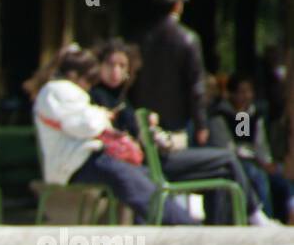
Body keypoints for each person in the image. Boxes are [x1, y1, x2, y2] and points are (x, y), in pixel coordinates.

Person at [92, 39, 271, 226]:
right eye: (111, 65)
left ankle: (226, 225)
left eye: (122, 66)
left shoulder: (122, 97)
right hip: (149, 164)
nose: (116, 72)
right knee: (235, 163)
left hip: (157, 158)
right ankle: (255, 215)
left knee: (231, 172)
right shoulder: (100, 97)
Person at [34, 46, 195, 225]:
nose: (89, 86)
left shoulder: (58, 92)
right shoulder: (59, 90)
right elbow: (86, 125)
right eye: (88, 80)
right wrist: (102, 115)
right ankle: (182, 223)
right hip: (76, 162)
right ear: (73, 76)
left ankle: (168, 222)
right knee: (129, 179)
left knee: (141, 177)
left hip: (82, 159)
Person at [131, 0, 208, 148]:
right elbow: (196, 86)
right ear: (178, 5)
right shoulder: (188, 39)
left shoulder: (140, 38)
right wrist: (201, 124)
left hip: (146, 120)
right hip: (178, 122)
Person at [209, 74, 292, 223]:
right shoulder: (221, 116)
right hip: (232, 163)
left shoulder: (248, 115)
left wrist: (267, 162)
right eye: (241, 92)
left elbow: (258, 144)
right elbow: (229, 148)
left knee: (283, 178)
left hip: (254, 161)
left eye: (248, 91)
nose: (246, 96)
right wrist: (256, 160)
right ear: (231, 94)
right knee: (257, 176)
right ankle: (265, 216)